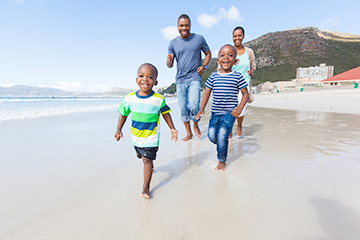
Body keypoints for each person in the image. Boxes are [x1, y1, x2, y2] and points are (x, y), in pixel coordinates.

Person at [115, 63, 178, 199]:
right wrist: (118, 129)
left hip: (151, 137)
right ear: (136, 79)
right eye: (141, 76)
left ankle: (146, 187)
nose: (145, 79)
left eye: (150, 77)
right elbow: (123, 114)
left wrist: (172, 128)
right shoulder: (129, 98)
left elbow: (166, 114)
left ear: (155, 82)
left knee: (146, 159)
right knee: (143, 158)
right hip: (136, 137)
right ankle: (150, 168)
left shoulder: (158, 99)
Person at [196, 45, 248, 171]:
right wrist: (201, 108)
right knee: (212, 135)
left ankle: (222, 161)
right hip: (215, 113)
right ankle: (222, 143)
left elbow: (245, 93)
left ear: (235, 61)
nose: (226, 58)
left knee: (222, 135)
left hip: (230, 113)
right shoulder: (213, 76)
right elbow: (207, 93)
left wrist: (240, 107)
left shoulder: (237, 76)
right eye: (222, 55)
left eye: (230, 55)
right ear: (218, 60)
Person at [167, 14, 212, 141]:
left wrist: (204, 66)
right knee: (183, 109)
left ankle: (196, 125)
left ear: (190, 25)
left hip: (195, 77)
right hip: (180, 80)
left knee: (193, 105)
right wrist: (169, 60)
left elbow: (208, 53)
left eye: (186, 25)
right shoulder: (173, 43)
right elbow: (169, 65)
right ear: (177, 26)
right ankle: (189, 133)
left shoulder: (199, 38)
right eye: (181, 25)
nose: (184, 28)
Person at [231, 26, 256, 137]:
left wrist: (251, 71)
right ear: (232, 37)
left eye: (239, 35)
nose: (237, 38)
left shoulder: (249, 52)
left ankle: (239, 125)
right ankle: (230, 128)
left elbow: (253, 66)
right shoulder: (229, 51)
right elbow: (220, 67)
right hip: (231, 86)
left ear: (243, 36)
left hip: (244, 85)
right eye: (235, 36)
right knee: (230, 108)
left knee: (241, 108)